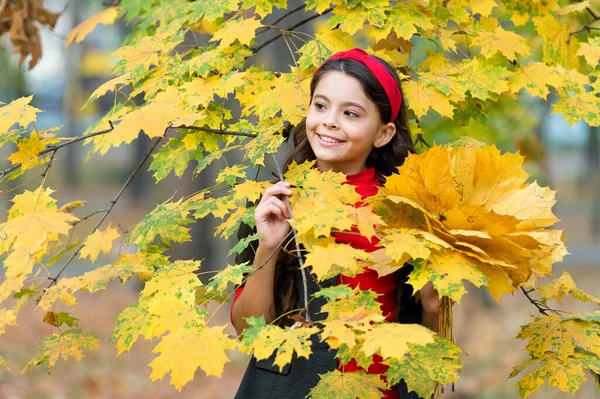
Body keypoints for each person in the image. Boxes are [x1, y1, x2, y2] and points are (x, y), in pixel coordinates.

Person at [230, 48, 442, 399]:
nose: (329, 121)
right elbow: (250, 334)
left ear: (383, 133)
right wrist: (269, 246)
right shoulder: (275, 204)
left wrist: (433, 309)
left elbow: (433, 363)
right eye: (321, 106)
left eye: (351, 113)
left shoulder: (407, 212)